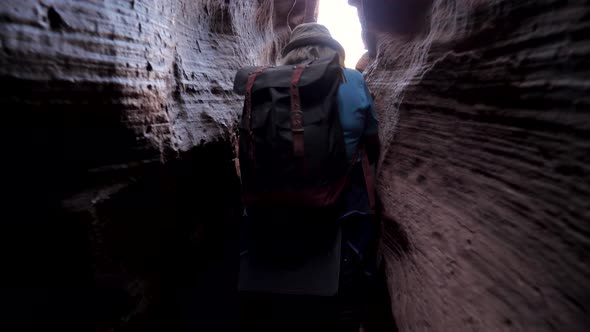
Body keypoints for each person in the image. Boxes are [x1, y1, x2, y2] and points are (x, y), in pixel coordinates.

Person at [238, 23, 380, 332]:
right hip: (335, 204)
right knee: (357, 187)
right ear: (335, 53)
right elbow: (371, 138)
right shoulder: (353, 79)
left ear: (288, 54)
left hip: (269, 202)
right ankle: (350, 303)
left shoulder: (264, 84)